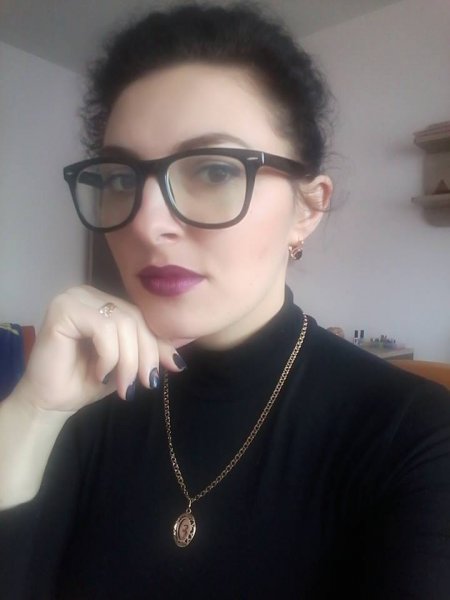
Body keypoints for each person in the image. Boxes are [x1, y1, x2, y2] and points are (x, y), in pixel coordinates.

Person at [1, 3, 450, 599]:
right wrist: (34, 409)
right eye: (120, 179)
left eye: (213, 171)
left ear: (307, 208)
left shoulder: (415, 438)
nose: (147, 224)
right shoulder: (89, 399)